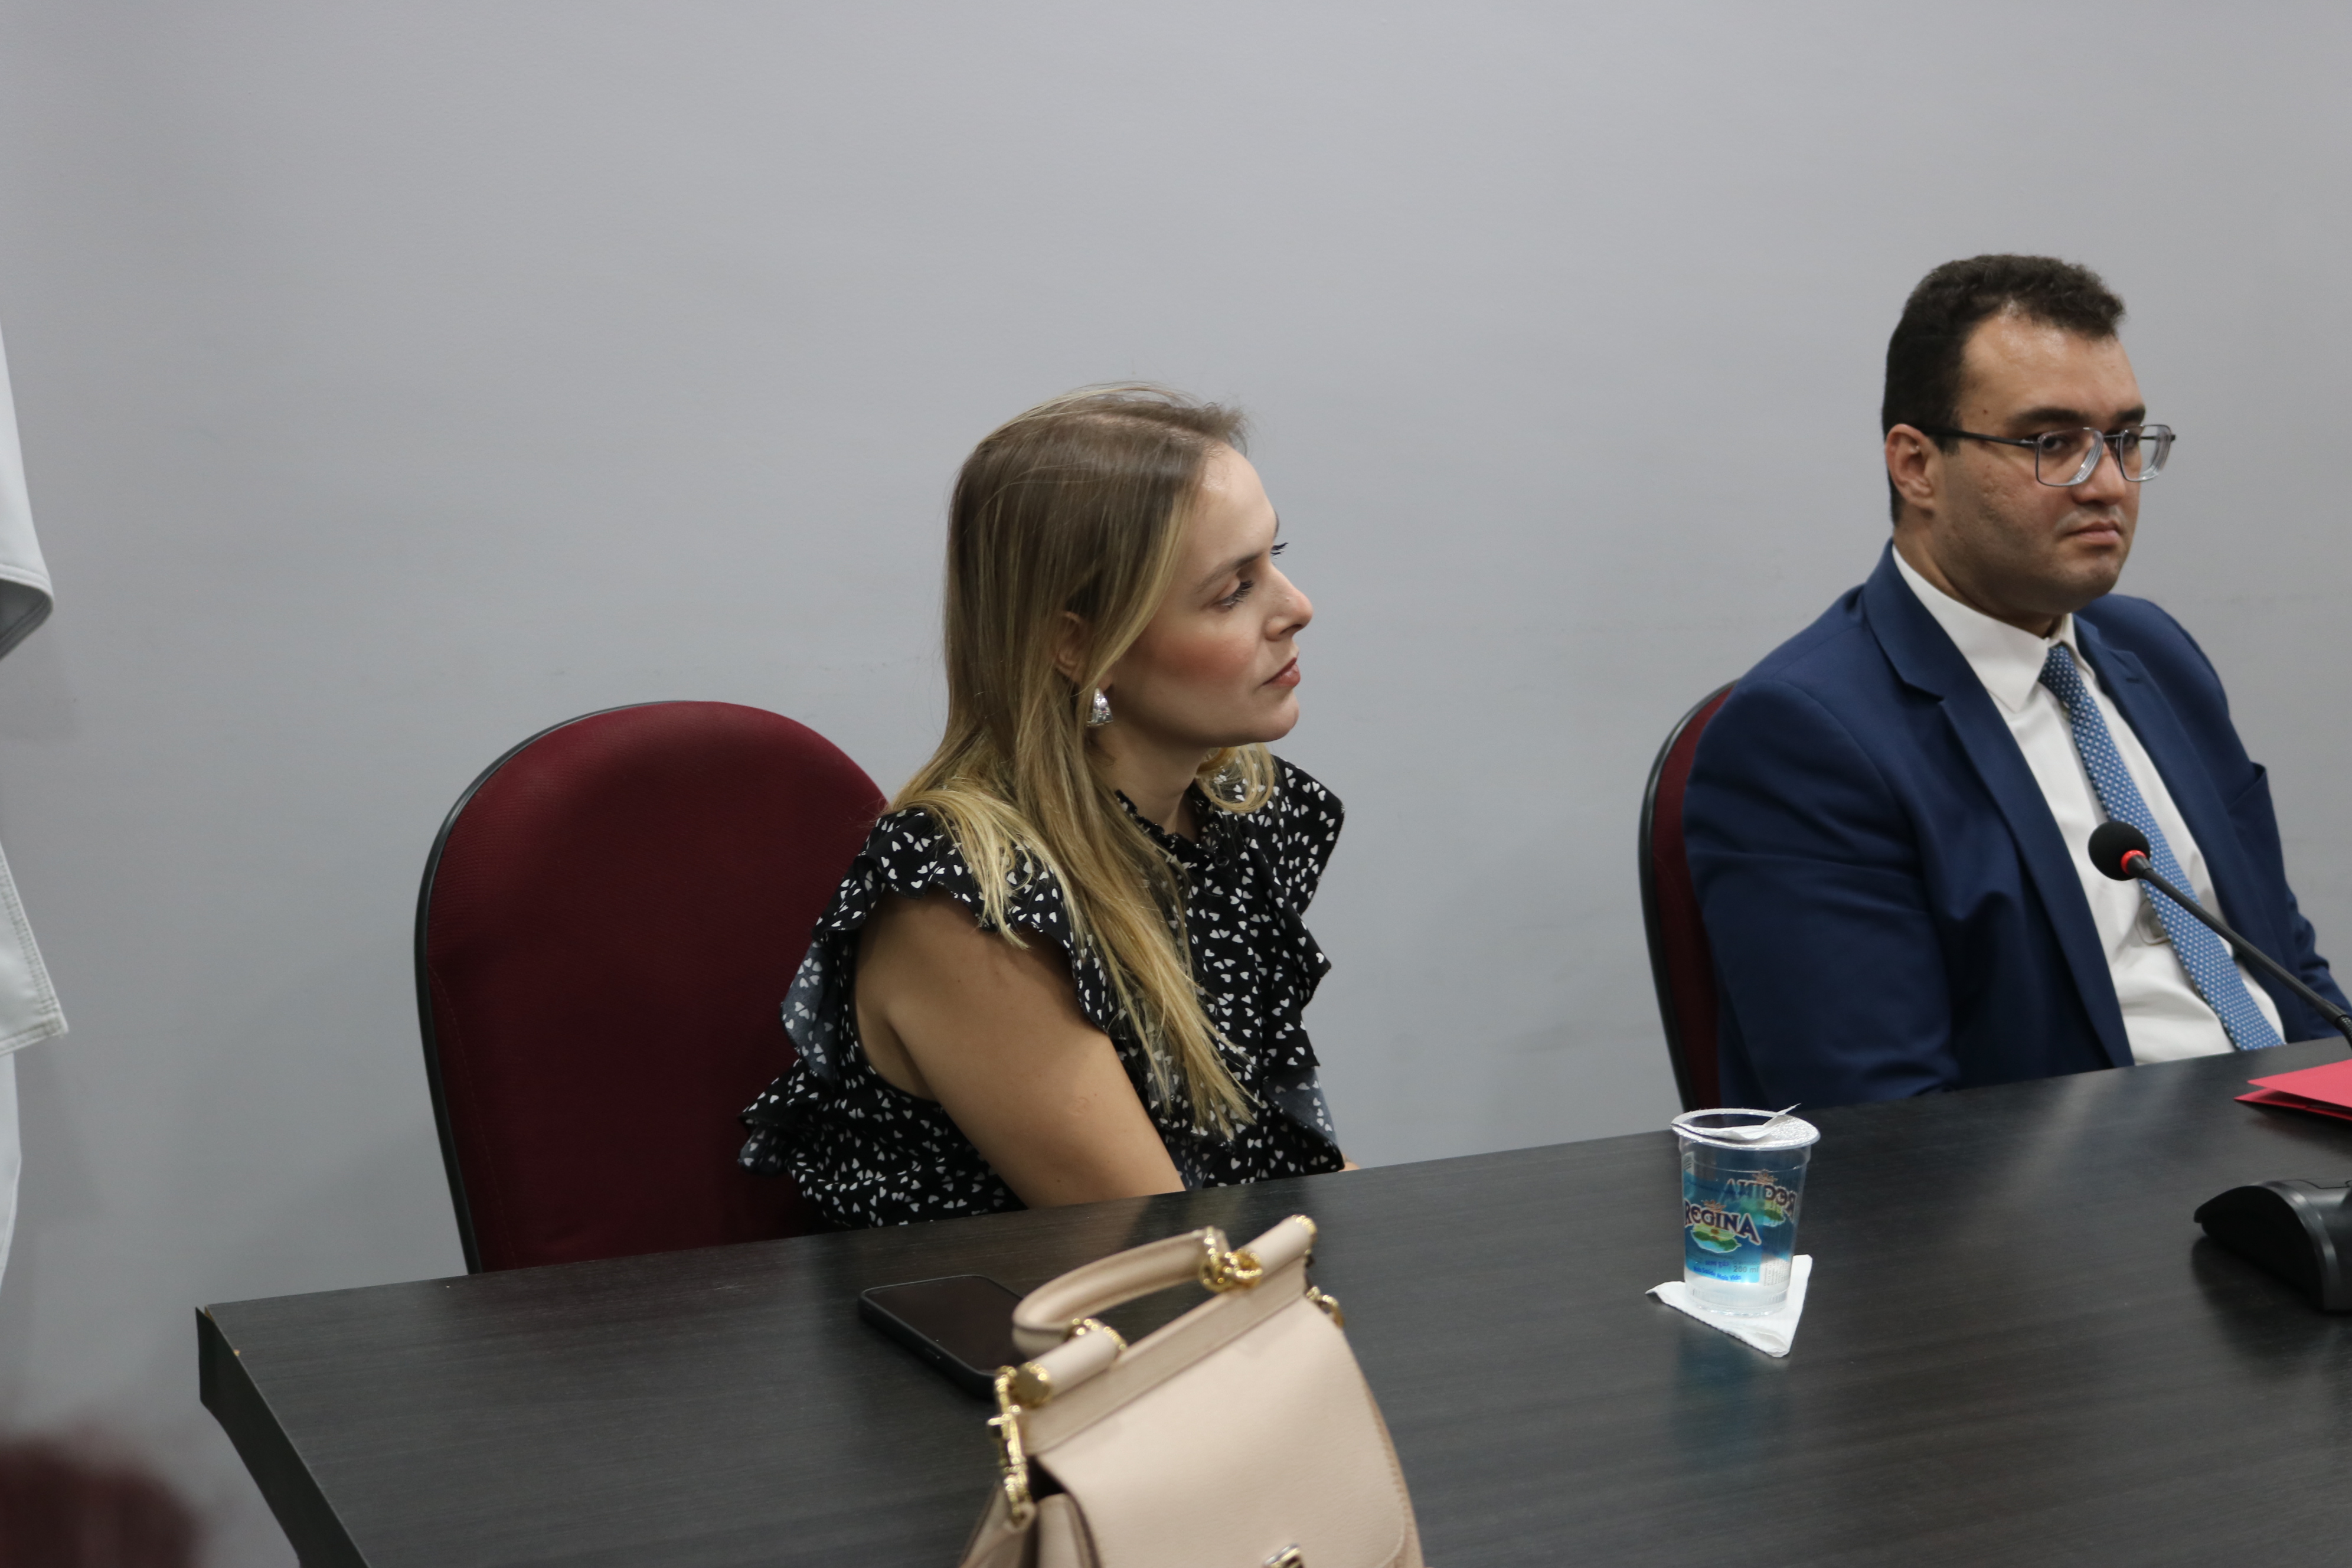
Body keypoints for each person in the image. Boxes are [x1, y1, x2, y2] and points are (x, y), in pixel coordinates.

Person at [1684, 254, 2346, 1108]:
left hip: (2290, 1148)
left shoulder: (2156, 653)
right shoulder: (1804, 737)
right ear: (1916, 466)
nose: (2107, 484)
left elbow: (2289, 971)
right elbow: (1884, 1126)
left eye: (2124, 440)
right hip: (2100, 1180)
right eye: (2052, 444)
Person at [739, 386, 1348, 1226]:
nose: (1298, 608)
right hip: (1026, 1312)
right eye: (1232, 591)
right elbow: (1158, 1251)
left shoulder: (1229, 813)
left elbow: (1287, 1167)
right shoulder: (968, 900)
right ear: (1078, 645)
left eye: (1273, 556)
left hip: (1217, 1290)